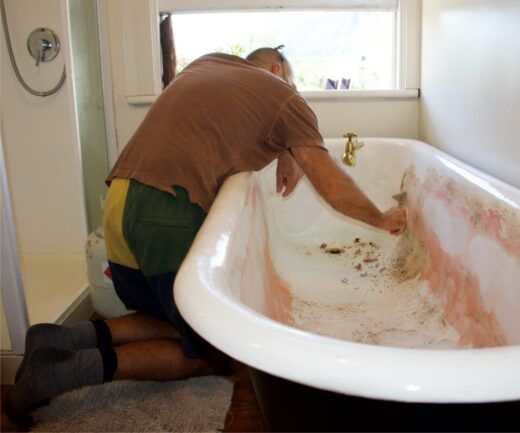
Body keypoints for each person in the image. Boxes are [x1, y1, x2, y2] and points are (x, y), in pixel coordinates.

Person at [6, 46, 406, 419]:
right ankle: (65, 374)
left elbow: (221, 125)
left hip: (120, 202)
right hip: (165, 212)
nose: (294, 92)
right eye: (293, 83)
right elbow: (331, 184)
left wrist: (286, 150)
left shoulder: (208, 63)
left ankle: (57, 338)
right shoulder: (285, 96)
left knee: (169, 316)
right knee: (211, 352)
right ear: (277, 70)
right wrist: (382, 218)